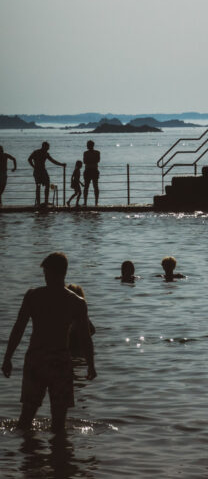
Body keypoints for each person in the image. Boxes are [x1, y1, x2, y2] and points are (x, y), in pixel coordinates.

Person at [2, 252, 96, 433]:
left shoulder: (34, 296)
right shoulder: (76, 302)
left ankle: (29, 455)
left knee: (28, 418)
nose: (44, 277)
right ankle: (57, 457)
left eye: (46, 273)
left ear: (57, 273)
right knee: (55, 423)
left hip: (38, 360)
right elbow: (86, 338)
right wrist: (91, 365)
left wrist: (8, 358)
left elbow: (18, 329)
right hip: (57, 361)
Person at [28, 142, 65, 208]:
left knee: (46, 185)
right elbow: (29, 159)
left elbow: (53, 161)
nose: (48, 148)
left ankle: (44, 201)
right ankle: (40, 202)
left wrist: (61, 164)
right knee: (39, 186)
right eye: (48, 147)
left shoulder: (43, 153)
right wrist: (33, 166)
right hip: (39, 171)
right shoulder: (38, 152)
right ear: (44, 147)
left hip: (41, 170)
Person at [66, 285, 96, 358]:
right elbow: (92, 330)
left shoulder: (64, 314)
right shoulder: (81, 314)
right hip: (78, 348)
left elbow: (92, 330)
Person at [83, 140, 101, 207]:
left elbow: (86, 161)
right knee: (90, 187)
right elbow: (86, 161)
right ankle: (93, 202)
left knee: (92, 187)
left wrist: (89, 161)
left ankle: (90, 202)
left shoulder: (86, 153)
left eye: (88, 145)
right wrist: (92, 161)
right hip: (92, 170)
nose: (87, 146)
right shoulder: (96, 153)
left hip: (90, 170)